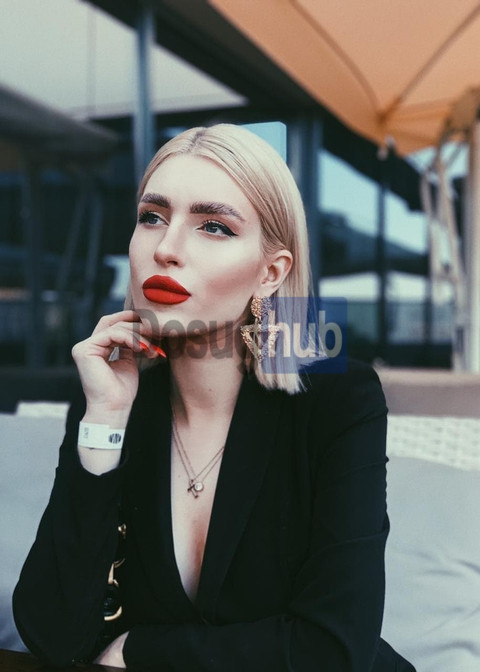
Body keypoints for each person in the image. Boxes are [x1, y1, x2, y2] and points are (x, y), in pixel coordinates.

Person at [13, 124, 415, 671]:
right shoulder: (110, 395)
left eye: (214, 227)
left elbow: (333, 650)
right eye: (152, 217)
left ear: (270, 273)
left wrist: (139, 649)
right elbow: (52, 635)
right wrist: (105, 418)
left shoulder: (338, 397)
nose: (167, 249)